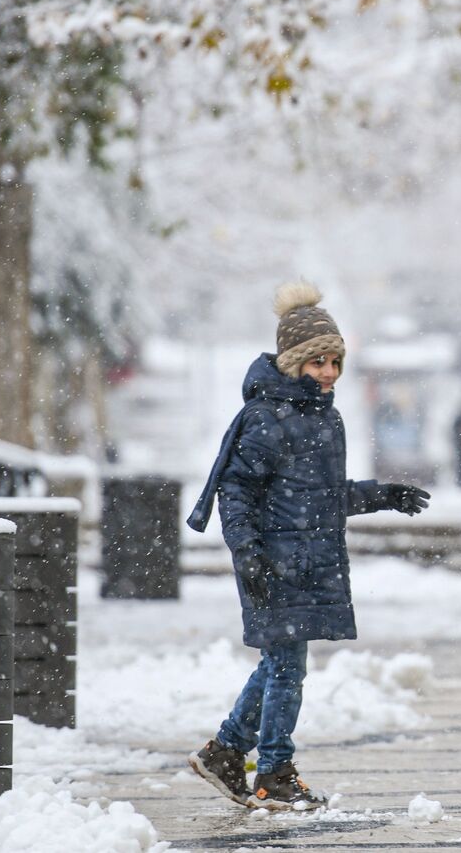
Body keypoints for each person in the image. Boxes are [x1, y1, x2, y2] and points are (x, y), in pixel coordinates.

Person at [185, 282, 431, 811]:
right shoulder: (264, 418)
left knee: (279, 664)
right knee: (288, 668)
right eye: (317, 361)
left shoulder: (323, 417)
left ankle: (227, 751)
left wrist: (382, 494)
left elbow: (321, 497)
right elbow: (236, 491)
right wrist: (247, 552)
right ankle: (272, 771)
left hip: (307, 560)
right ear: (293, 362)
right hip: (274, 562)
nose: (328, 372)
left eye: (335, 362)